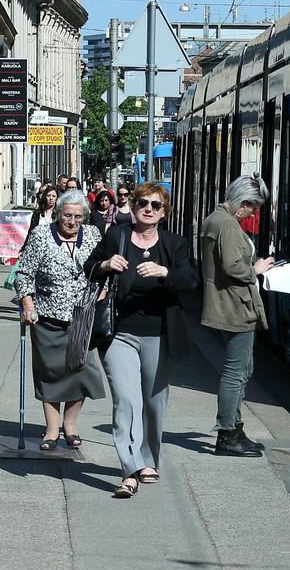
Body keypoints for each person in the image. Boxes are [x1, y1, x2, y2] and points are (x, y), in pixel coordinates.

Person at [84, 182, 198, 498]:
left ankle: (149, 459)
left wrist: (164, 272)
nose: (148, 209)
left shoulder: (174, 245)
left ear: (164, 213)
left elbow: (190, 281)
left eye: (155, 205)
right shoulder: (116, 236)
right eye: (142, 203)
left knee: (153, 403)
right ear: (133, 207)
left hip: (160, 335)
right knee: (126, 400)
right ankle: (129, 469)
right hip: (119, 333)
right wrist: (106, 265)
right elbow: (89, 268)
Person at [14, 190, 106, 451]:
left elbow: (102, 269)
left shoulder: (92, 235)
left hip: (82, 316)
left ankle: (71, 424)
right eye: (68, 215)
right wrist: (27, 305)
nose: (72, 221)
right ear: (58, 213)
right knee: (51, 373)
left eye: (78, 216)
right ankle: (52, 430)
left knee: (82, 372)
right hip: (47, 317)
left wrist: (104, 288)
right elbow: (24, 274)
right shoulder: (41, 236)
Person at [199, 174, 275, 458]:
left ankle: (235, 428)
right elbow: (232, 266)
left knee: (242, 368)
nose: (252, 214)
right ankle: (228, 434)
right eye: (253, 208)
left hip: (226, 303)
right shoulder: (228, 225)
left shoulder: (214, 219)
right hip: (235, 306)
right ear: (242, 203)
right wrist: (256, 268)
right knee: (236, 372)